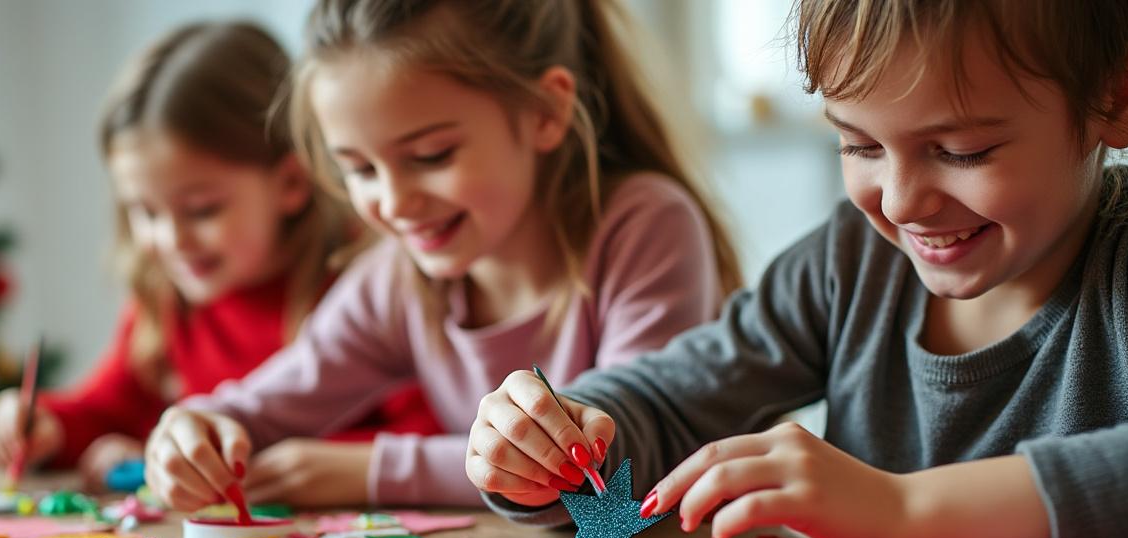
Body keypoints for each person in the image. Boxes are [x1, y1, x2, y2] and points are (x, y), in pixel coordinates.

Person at [468, 0, 1128, 538]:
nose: (900, 203)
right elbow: (673, 399)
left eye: (961, 152)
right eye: (860, 146)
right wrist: (555, 438)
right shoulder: (848, 263)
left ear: (1115, 97)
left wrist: (900, 509)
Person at [143, 0, 742, 510]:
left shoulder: (644, 225)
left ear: (545, 111)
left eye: (431, 156)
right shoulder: (397, 277)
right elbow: (263, 406)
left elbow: (612, 459)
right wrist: (194, 428)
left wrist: (373, 470)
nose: (394, 202)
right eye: (358, 168)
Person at [0, 21, 440, 492]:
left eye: (201, 210)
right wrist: (38, 425)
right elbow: (105, 408)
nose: (171, 238)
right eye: (145, 211)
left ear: (291, 184)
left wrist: (269, 454)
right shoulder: (167, 299)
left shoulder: (365, 290)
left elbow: (429, 430)